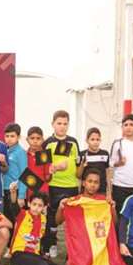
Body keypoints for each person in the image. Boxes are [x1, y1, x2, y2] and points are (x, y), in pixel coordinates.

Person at [42, 110, 81, 257]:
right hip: (53, 186)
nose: (62, 126)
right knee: (52, 218)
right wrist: (54, 169)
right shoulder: (48, 143)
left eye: (65, 124)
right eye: (59, 123)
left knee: (72, 219)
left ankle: (73, 250)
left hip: (71, 186)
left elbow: (78, 166)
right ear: (53, 124)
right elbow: (43, 167)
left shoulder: (73, 142)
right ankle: (51, 244)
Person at [10, 193, 67, 265]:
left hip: (34, 255)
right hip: (19, 254)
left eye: (40, 205)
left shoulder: (44, 219)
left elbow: (44, 237)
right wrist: (13, 193)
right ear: (29, 204)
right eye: (34, 204)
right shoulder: (22, 215)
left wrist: (45, 254)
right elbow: (14, 205)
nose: (36, 208)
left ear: (44, 207)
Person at [10, 126, 51, 207]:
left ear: (43, 139)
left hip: (41, 195)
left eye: (38, 138)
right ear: (27, 140)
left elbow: (48, 178)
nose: (35, 141)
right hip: (26, 194)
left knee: (41, 219)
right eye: (32, 138)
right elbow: (21, 175)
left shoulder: (45, 155)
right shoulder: (23, 155)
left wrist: (52, 171)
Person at [3, 123, 27, 224]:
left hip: (14, 192)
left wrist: (21, 196)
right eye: (7, 136)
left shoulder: (20, 152)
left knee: (15, 220)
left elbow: (25, 174)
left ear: (18, 137)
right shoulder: (4, 150)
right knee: (6, 219)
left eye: (12, 136)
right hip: (4, 191)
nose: (9, 139)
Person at [77, 127, 110, 194]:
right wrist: (82, 165)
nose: (95, 142)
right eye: (92, 139)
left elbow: (108, 175)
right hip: (86, 192)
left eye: (97, 139)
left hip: (102, 191)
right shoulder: (81, 154)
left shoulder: (105, 154)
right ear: (87, 140)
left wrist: (109, 192)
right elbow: (78, 175)